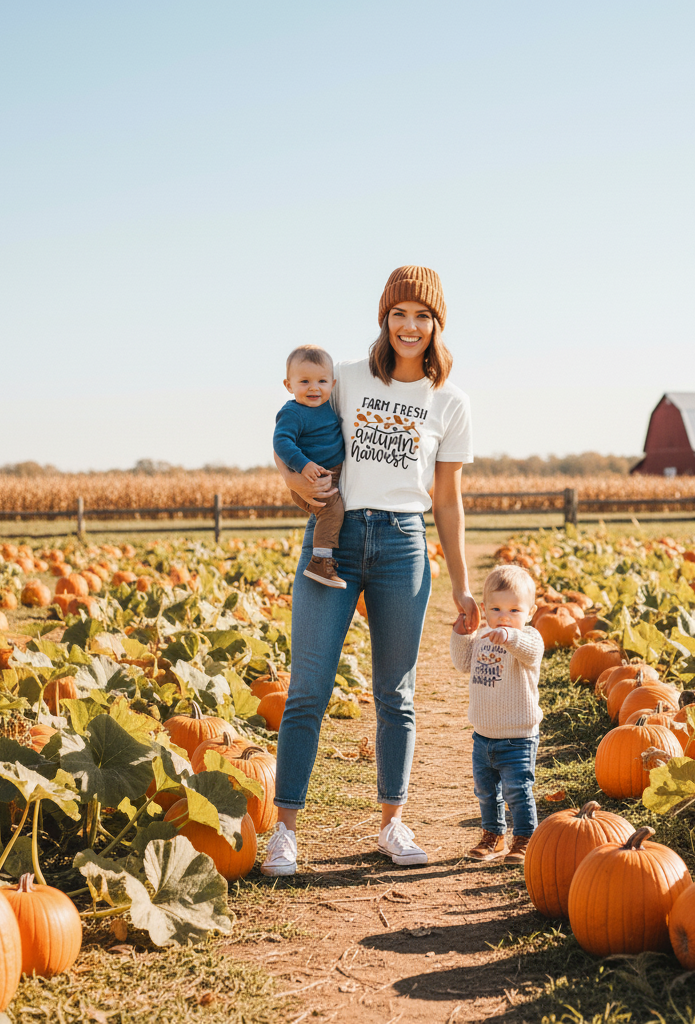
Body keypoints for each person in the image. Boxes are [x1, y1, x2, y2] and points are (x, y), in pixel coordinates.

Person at [262, 265, 479, 877]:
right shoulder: (347, 380)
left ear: (437, 326)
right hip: (336, 538)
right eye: (399, 314)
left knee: (396, 694)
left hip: (404, 544)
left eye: (422, 316)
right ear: (384, 320)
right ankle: (285, 832)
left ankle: (391, 823)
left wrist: (461, 581)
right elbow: (291, 429)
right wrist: (293, 482)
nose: (410, 326)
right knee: (306, 689)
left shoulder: (450, 402)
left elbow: (448, 500)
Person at [450, 564, 543, 865]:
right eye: (496, 608)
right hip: (483, 736)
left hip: (518, 738)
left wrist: (509, 637)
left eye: (515, 610)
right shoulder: (483, 638)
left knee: (518, 791)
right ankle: (494, 836)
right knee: (486, 792)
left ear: (530, 612)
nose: (505, 617)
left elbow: (529, 651)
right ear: (485, 609)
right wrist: (462, 635)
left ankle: (525, 838)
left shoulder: (529, 638)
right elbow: (463, 663)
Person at [273, 345, 347, 588]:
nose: (314, 387)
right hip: (312, 479)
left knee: (334, 509)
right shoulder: (293, 412)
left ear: (332, 385)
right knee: (332, 510)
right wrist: (303, 466)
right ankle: (320, 563)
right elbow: (281, 442)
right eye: (304, 381)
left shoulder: (327, 405)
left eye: (322, 381)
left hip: (330, 474)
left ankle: (322, 560)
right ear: (288, 385)